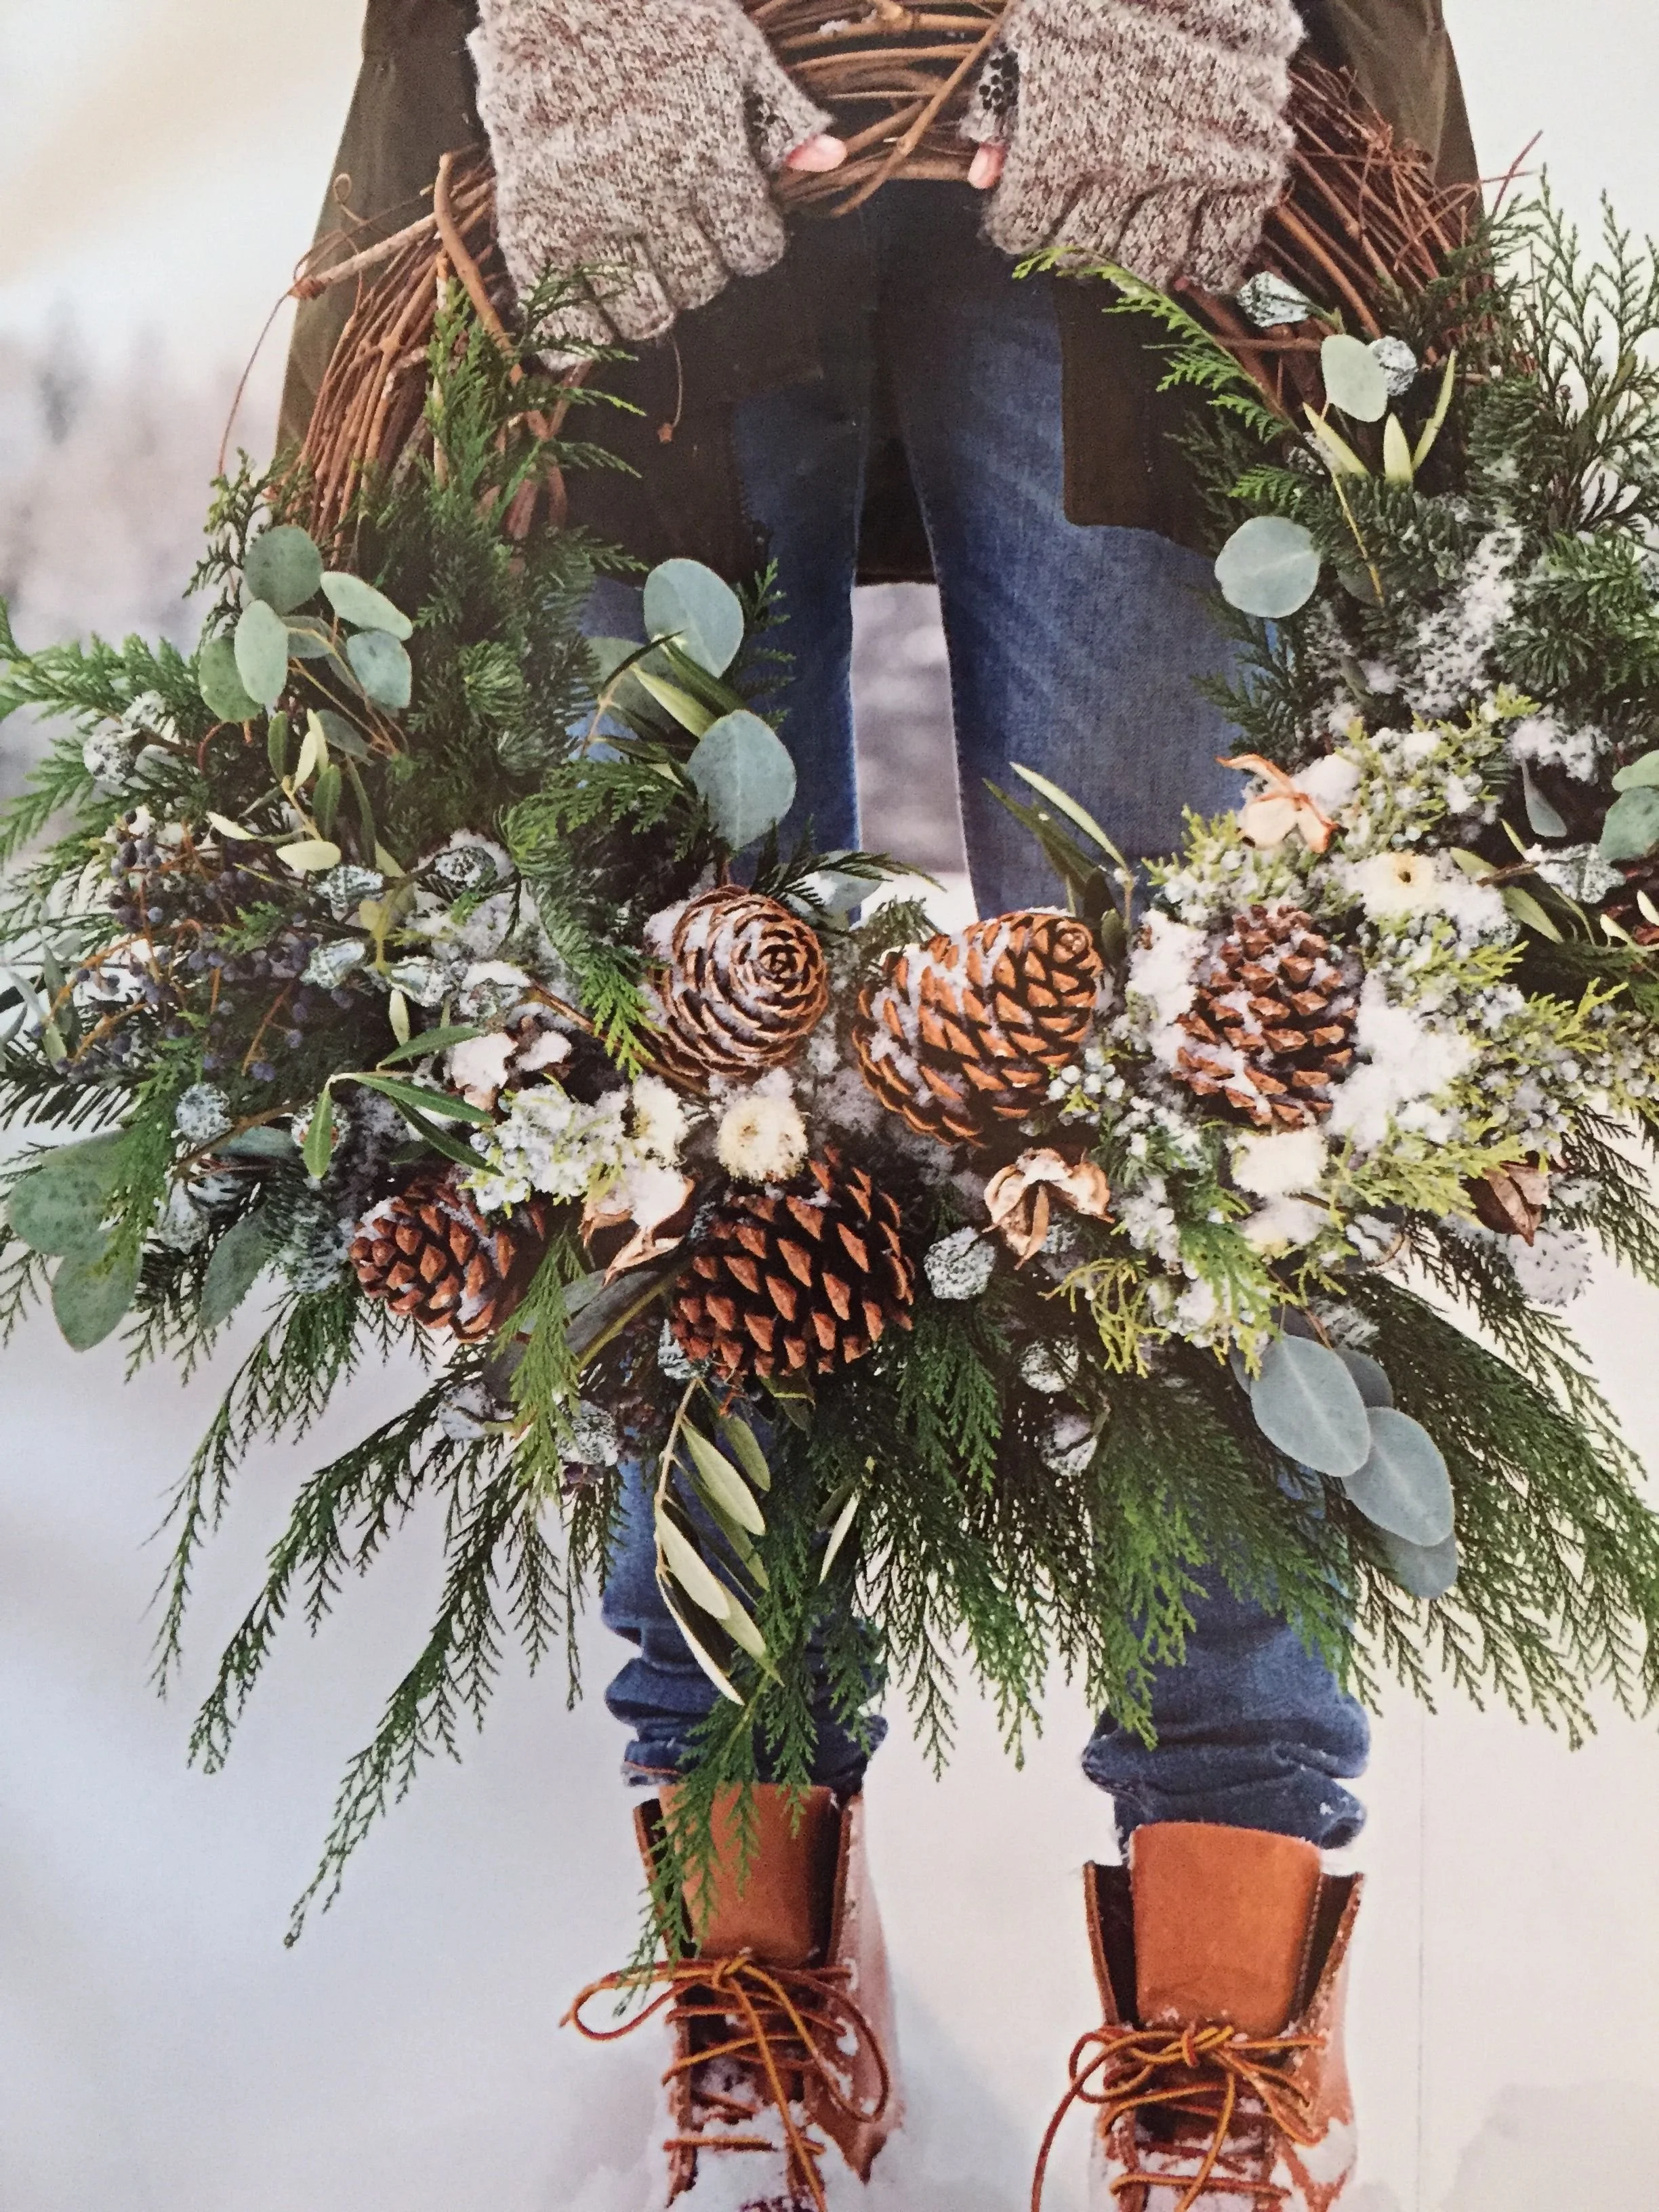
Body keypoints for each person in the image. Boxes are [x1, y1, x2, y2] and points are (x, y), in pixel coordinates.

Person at [285, 5, 1477, 2205]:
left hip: (1171, 93)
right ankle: (762, 1976)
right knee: (641, 1087)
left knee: (1222, 1062)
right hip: (617, 103)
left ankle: (1222, 2037)